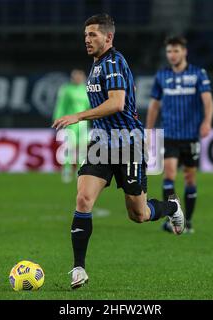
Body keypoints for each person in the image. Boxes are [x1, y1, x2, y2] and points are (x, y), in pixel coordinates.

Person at [52, 14, 185, 289]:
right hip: (101, 144)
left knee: (138, 214)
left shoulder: (112, 62)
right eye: (85, 35)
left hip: (127, 145)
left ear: (108, 37)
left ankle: (171, 206)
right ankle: (78, 269)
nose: (87, 39)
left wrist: (79, 116)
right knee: (83, 199)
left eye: (93, 35)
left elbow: (116, 103)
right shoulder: (97, 63)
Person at [146, 36, 213, 234]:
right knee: (169, 174)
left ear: (184, 52)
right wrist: (149, 131)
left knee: (190, 177)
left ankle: (189, 221)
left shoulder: (198, 74)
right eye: (169, 51)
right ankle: (174, 220)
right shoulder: (162, 76)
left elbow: (208, 100)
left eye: (176, 51)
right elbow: (154, 106)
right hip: (170, 134)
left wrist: (207, 121)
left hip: (191, 135)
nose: (172, 55)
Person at [53, 69, 90, 183]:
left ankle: (81, 171)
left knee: (83, 148)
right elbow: (61, 106)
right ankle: (67, 171)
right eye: (76, 76)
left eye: (80, 76)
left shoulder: (86, 90)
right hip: (71, 123)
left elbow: (90, 107)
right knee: (70, 148)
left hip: (83, 123)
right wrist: (58, 119)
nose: (78, 78)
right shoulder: (66, 89)